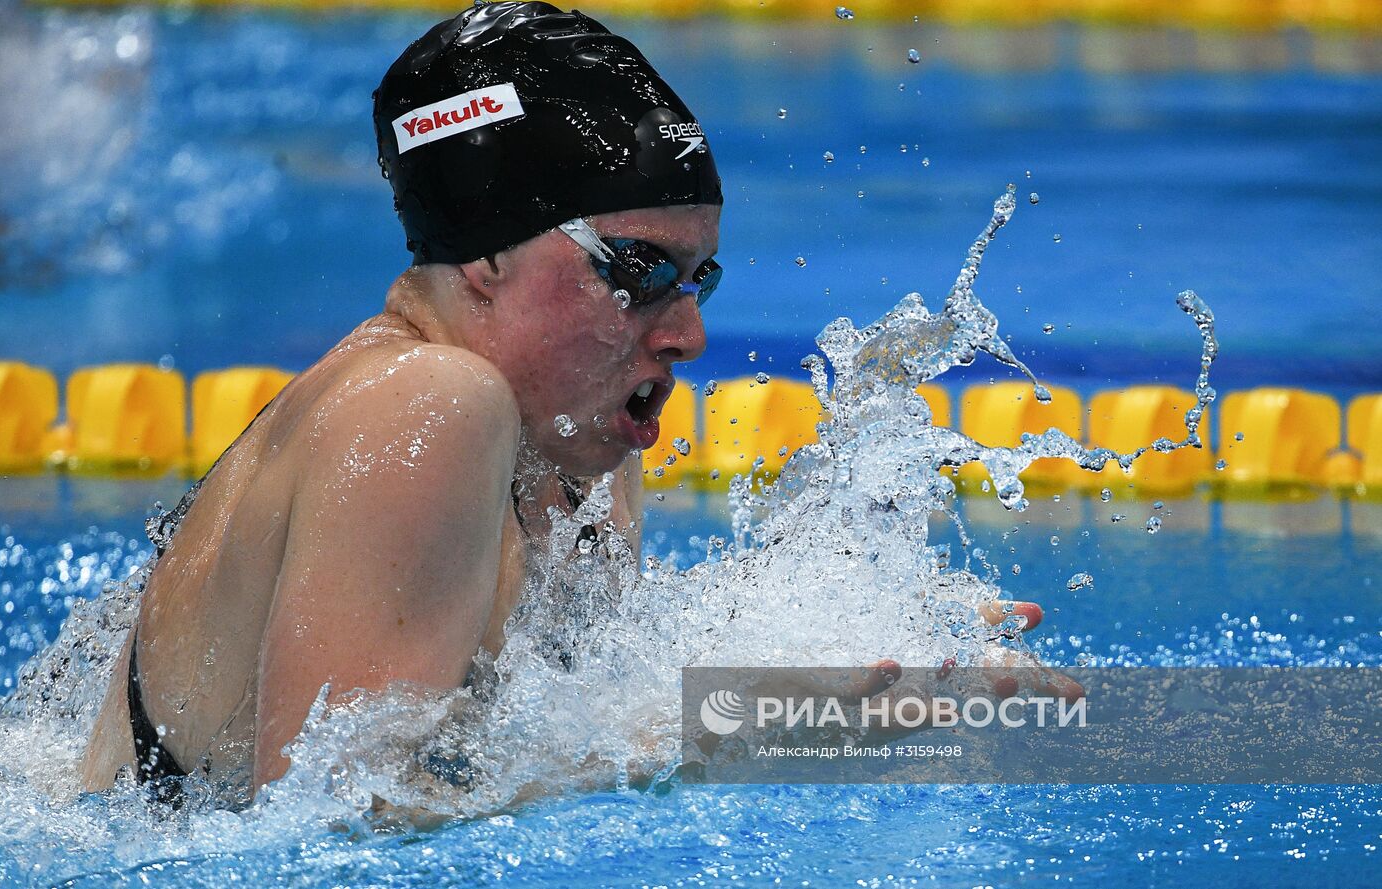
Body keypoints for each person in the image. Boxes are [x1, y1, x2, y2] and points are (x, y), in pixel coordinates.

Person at [79, 1, 1061, 803]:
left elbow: (556, 702)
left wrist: (849, 647)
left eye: (693, 278)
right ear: (487, 255)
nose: (683, 333)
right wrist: (733, 727)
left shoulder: (572, 434)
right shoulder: (425, 401)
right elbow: (333, 820)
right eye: (634, 269)